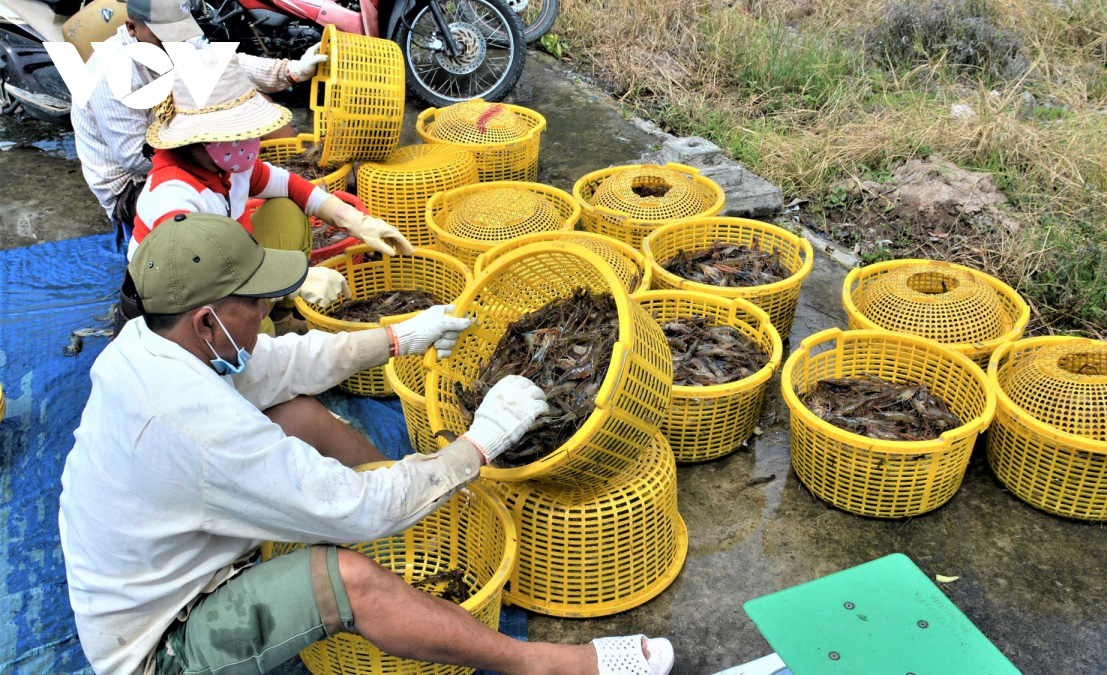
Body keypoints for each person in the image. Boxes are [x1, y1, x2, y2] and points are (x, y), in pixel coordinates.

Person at [58, 212, 676, 675]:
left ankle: (417, 522)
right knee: (346, 575)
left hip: (176, 550)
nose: (273, 307)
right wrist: (478, 445)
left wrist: (401, 336)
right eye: (257, 300)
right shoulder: (191, 425)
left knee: (297, 414)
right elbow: (354, 512)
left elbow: (287, 362)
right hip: (165, 641)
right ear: (207, 320)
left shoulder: (155, 343)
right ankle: (542, 665)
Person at [128, 43, 409, 334]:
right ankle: (262, 337)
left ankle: (281, 319)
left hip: (230, 265)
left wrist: (356, 221)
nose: (247, 142)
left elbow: (288, 185)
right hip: (184, 309)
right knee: (254, 331)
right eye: (230, 134)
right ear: (194, 140)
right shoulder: (172, 196)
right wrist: (297, 280)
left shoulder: (227, 168)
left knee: (286, 208)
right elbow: (200, 276)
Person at [71, 0, 326, 250]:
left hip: (185, 138)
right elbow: (133, 157)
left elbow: (226, 65)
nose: (176, 45)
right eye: (165, 38)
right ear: (132, 28)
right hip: (132, 183)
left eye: (179, 35)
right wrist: (221, 156)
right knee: (229, 196)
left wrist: (290, 71)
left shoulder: (177, 42)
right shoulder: (111, 73)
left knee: (258, 103)